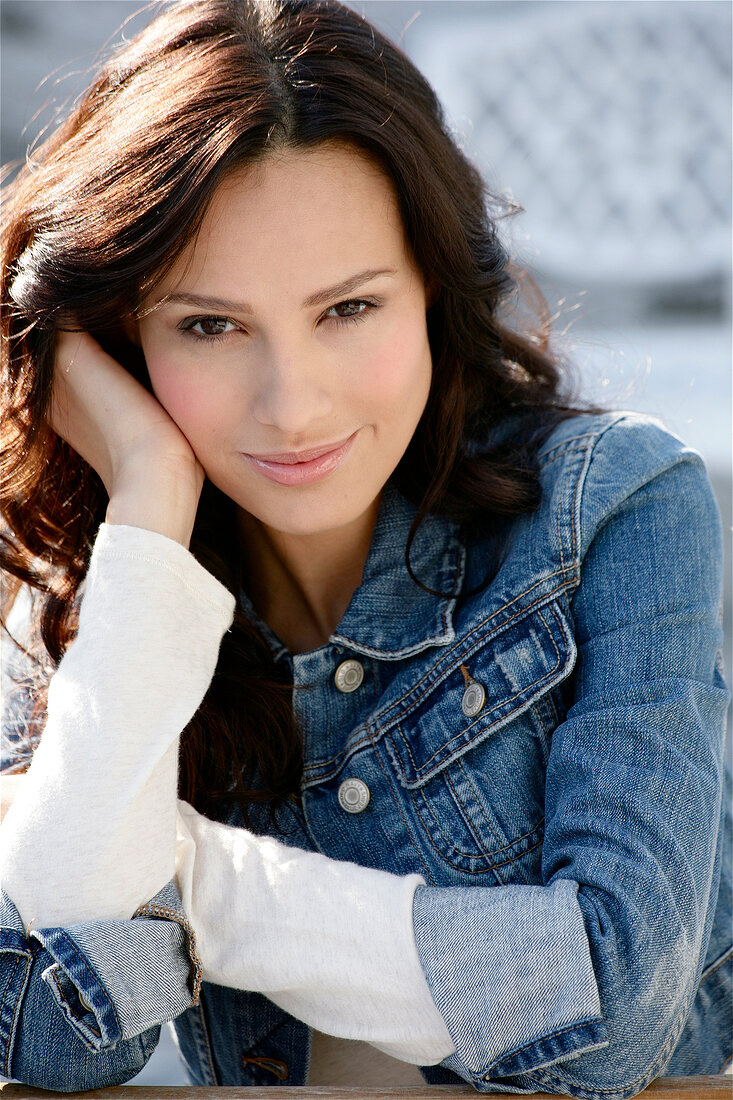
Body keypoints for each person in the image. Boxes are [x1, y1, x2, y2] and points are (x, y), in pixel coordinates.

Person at [0, 0, 730, 1093]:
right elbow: (50, 1042)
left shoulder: (616, 511)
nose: (293, 406)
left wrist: (188, 875)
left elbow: (611, 1015)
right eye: (209, 324)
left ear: (432, 290)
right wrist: (150, 491)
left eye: (347, 308)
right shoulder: (100, 598)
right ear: (118, 338)